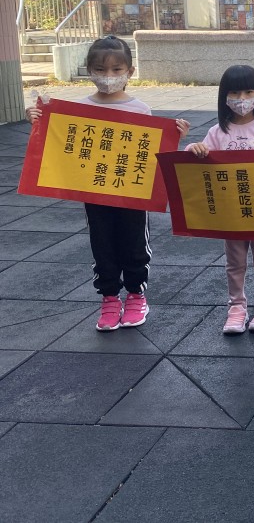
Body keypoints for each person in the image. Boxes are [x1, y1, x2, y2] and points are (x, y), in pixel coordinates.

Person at [26, 35, 190, 331]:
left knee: (134, 243)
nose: (108, 76)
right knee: (101, 245)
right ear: (89, 71)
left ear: (130, 71)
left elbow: (150, 152)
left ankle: (137, 295)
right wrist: (38, 121)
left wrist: (175, 135)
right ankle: (110, 298)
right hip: (96, 194)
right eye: (100, 69)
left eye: (116, 70)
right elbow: (58, 144)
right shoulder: (78, 109)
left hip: (133, 195)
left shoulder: (140, 109)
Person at [187, 65, 254, 334]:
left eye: (248, 92)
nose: (241, 99)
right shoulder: (217, 132)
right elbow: (198, 159)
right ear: (224, 96)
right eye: (234, 93)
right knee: (235, 262)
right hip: (231, 211)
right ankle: (236, 306)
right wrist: (193, 148)